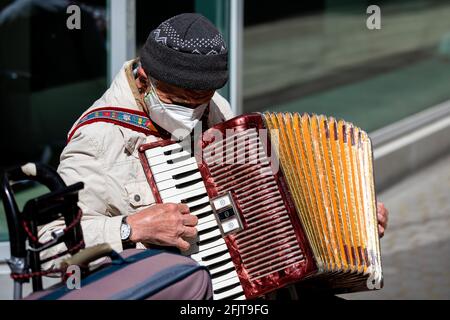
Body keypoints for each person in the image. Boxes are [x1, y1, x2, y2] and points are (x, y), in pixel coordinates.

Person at [38, 13, 388, 299]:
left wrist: (349, 214)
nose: (192, 113)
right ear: (144, 80)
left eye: (200, 100)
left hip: (248, 286)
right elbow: (48, 244)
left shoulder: (214, 107)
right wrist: (131, 227)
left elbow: (261, 194)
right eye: (178, 100)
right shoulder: (98, 138)